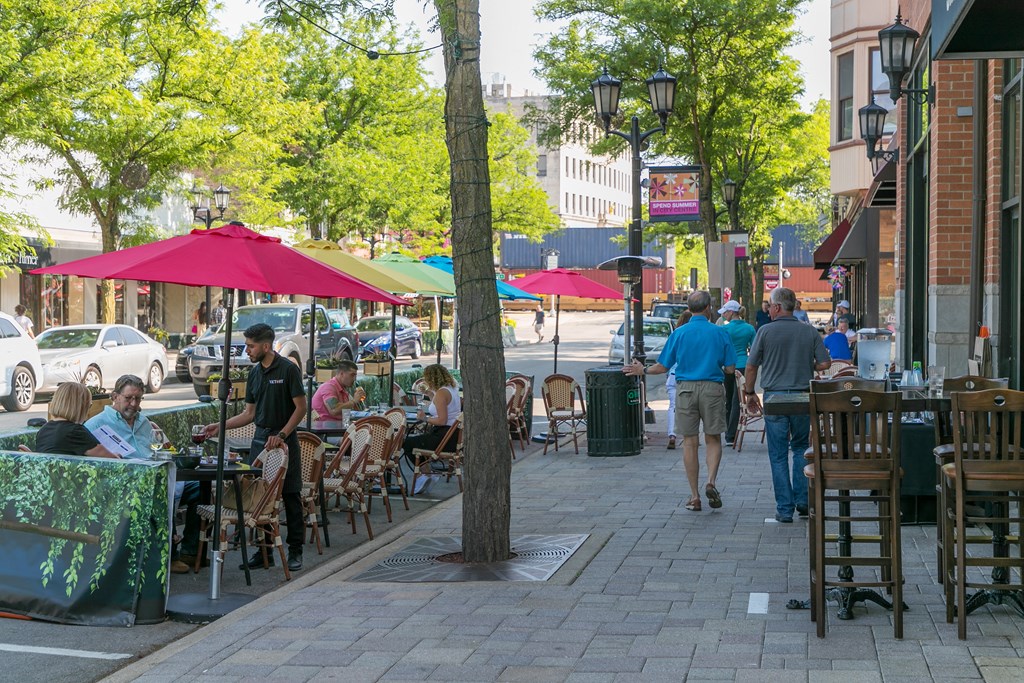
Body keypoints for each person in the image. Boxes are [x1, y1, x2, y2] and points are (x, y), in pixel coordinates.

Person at [202, 323, 307, 572]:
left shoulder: (288, 370)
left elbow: (301, 408)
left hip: (284, 439)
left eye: (250, 346)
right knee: (259, 497)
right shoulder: (254, 374)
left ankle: (295, 551)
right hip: (260, 438)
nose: (246, 350)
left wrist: (282, 434)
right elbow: (249, 414)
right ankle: (264, 552)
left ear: (266, 346)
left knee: (291, 495)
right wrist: (220, 425)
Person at [624, 290, 735, 513]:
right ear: (708, 308)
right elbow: (731, 369)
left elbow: (663, 366)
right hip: (713, 388)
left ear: (689, 309)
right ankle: (711, 481)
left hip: (685, 390)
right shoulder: (720, 333)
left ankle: (694, 496)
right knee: (713, 439)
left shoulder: (679, 333)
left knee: (690, 442)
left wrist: (641, 369)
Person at [85, 374, 200, 573]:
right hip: (128, 482)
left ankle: (191, 549)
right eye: (129, 398)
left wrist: (167, 448)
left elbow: (167, 449)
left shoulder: (145, 423)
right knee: (163, 489)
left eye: (138, 399)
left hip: (158, 475)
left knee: (200, 488)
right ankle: (170, 554)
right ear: (115, 396)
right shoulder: (96, 425)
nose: (134, 404)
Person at [743, 287, 830, 523]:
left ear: (778, 307)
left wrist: (750, 393)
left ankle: (784, 508)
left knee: (778, 454)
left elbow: (751, 367)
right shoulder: (809, 331)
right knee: (801, 447)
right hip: (802, 397)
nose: (769, 309)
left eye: (770, 305)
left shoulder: (765, 331)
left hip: (775, 398)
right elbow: (824, 363)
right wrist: (808, 363)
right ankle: (803, 501)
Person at [402, 364, 462, 494]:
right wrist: (429, 393)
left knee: (407, 442)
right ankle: (426, 474)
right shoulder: (451, 389)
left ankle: (424, 474)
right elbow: (441, 406)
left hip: (444, 437)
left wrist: (425, 419)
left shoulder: (441, 393)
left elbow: (442, 420)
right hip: (452, 435)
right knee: (415, 440)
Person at [35, 383, 119, 458]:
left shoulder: (44, 429)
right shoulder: (75, 432)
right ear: (81, 407)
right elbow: (109, 458)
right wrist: (117, 455)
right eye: (89, 406)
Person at [720, 301, 757, 446]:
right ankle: (731, 434)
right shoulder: (749, 329)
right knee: (737, 400)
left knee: (728, 400)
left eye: (725, 312)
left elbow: (720, 348)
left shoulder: (724, 329)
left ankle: (728, 433)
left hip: (727, 366)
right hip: (743, 366)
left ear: (731, 312)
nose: (723, 314)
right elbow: (754, 349)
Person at [664, 310, 693, 450]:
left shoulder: (675, 336)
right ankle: (691, 436)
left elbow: (666, 360)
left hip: (673, 375)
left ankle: (672, 434)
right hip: (688, 377)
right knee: (690, 408)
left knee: (673, 406)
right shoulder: (693, 338)